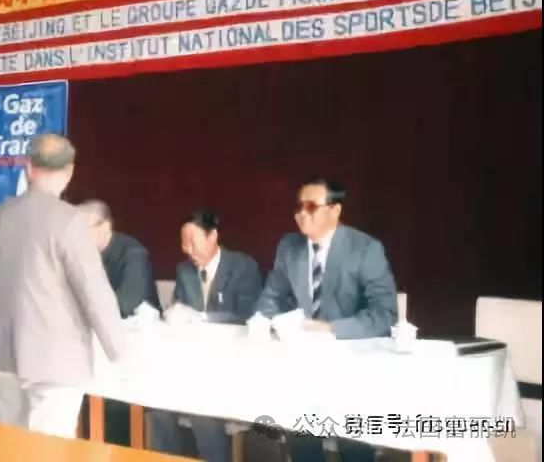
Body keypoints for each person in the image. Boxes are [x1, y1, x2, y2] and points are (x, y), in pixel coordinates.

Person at [0, 133, 125, 439]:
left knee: (11, 449)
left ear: (28, 167)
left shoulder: (1, 215)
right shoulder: (70, 220)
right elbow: (93, 291)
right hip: (55, 357)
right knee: (50, 450)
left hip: (6, 352)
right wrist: (118, 350)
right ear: (69, 171)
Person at [255, 178, 398, 462]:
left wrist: (331, 329)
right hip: (303, 366)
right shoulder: (289, 247)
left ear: (335, 210)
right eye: (299, 207)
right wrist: (262, 320)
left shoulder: (365, 248)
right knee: (302, 442)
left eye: (311, 207)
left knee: (353, 449)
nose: (301, 213)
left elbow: (385, 314)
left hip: (351, 367)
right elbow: (272, 295)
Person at [148, 210, 263, 462]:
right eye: (183, 243)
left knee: (202, 408)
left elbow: (247, 316)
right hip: (191, 361)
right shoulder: (184, 270)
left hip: (230, 362)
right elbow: (180, 308)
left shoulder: (243, 266)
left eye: (193, 241)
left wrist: (202, 318)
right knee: (157, 403)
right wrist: (174, 314)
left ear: (213, 236)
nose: (187, 250)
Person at [80, 199, 160, 317]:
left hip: (139, 324)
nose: (78, 236)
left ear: (105, 227)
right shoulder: (81, 255)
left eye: (84, 230)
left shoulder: (134, 254)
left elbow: (125, 305)